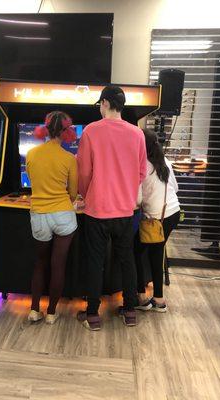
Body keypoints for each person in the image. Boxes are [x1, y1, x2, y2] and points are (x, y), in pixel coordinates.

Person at [76, 85, 147, 331]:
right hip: (126, 211)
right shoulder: (137, 133)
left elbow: (83, 172)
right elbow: (141, 172)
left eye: (100, 104)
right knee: (126, 260)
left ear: (105, 103)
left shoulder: (91, 131)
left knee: (95, 262)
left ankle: (93, 314)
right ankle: (129, 311)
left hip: (97, 210)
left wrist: (84, 194)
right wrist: (125, 190)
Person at [26, 111, 78, 325]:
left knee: (40, 263)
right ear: (66, 133)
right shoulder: (69, 158)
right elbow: (73, 193)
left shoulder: (31, 154)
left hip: (39, 214)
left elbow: (32, 182)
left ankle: (33, 310)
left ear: (45, 129)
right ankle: (51, 313)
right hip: (63, 215)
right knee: (59, 265)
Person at [134, 129, 180, 312]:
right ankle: (158, 299)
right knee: (156, 253)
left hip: (156, 219)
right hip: (173, 212)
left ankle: (142, 297)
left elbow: (137, 200)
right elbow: (175, 187)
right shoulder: (165, 161)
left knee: (135, 251)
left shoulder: (141, 165)